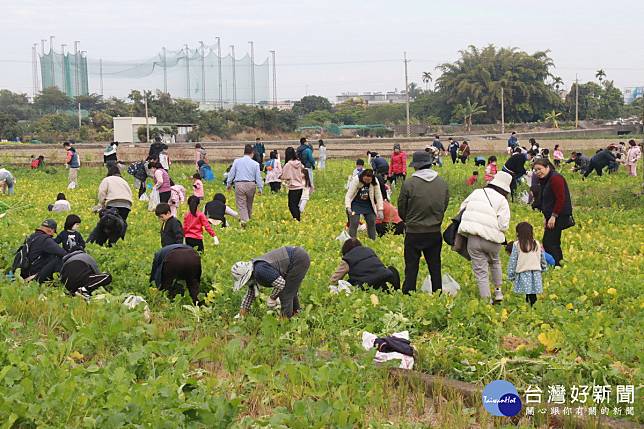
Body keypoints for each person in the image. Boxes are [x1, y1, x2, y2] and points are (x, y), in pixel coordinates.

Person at [398, 151, 449, 294]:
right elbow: (444, 205)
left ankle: (409, 293)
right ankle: (437, 291)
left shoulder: (409, 183)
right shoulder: (441, 183)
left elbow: (402, 208)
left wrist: (409, 220)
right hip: (434, 231)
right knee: (435, 265)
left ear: (416, 166)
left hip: (414, 232)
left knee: (411, 266)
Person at [457, 171, 512, 303]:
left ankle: (486, 300)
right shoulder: (502, 200)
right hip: (493, 241)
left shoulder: (477, 192)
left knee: (480, 270)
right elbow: (503, 225)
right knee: (495, 262)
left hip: (473, 239)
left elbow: (462, 208)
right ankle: (498, 292)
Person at [231, 246, 310, 318]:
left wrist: (272, 298)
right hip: (296, 258)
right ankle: (296, 313)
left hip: (298, 258)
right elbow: (250, 295)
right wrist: (242, 315)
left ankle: (285, 322)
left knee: (286, 293)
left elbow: (281, 284)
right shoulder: (254, 274)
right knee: (290, 290)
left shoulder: (260, 270)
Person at [532, 159, 574, 267]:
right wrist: (546, 216)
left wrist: (553, 216)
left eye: (539, 169)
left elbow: (561, 199)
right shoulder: (546, 180)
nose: (537, 172)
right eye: (535, 170)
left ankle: (557, 265)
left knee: (550, 242)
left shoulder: (555, 178)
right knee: (551, 241)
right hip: (551, 216)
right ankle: (555, 264)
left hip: (558, 216)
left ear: (547, 167)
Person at [329, 238, 400, 291]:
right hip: (387, 282)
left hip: (370, 286)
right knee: (391, 269)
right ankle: (396, 289)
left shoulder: (348, 258)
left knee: (349, 282)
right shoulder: (369, 250)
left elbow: (334, 280)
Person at [507, 222, 547, 307]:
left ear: (518, 233)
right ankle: (533, 307)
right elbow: (542, 257)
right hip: (535, 272)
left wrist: (511, 274)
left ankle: (527, 308)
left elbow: (513, 260)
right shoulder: (536, 243)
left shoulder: (516, 244)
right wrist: (543, 268)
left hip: (523, 272)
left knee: (526, 293)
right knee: (533, 293)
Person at [226, 144, 264, 226]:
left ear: (244, 152)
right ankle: (248, 220)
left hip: (239, 184)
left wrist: (228, 184)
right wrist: (260, 188)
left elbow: (231, 173)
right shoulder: (255, 164)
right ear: (252, 153)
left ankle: (245, 222)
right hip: (251, 184)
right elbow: (258, 177)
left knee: (241, 204)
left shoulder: (237, 161)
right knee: (249, 204)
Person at [345, 169, 384, 240]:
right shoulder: (356, 180)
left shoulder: (375, 181)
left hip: (368, 204)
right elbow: (349, 195)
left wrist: (380, 209)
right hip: (355, 204)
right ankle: (352, 240)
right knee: (354, 221)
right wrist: (348, 207)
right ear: (362, 177)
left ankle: (372, 240)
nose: (367, 181)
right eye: (365, 179)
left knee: (371, 220)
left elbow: (378, 196)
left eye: (369, 180)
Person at [98, 165, 133, 236]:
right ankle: (118, 237)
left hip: (112, 203)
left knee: (110, 223)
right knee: (121, 222)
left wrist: (102, 204)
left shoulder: (107, 179)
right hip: (126, 204)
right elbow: (130, 192)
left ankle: (108, 238)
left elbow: (102, 192)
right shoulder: (123, 181)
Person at [280, 147, 306, 221]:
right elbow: (303, 171)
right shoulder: (299, 163)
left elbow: (284, 176)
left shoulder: (288, 164)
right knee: (296, 205)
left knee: (291, 205)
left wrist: (280, 177)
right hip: (300, 187)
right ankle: (297, 218)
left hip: (293, 187)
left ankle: (296, 219)